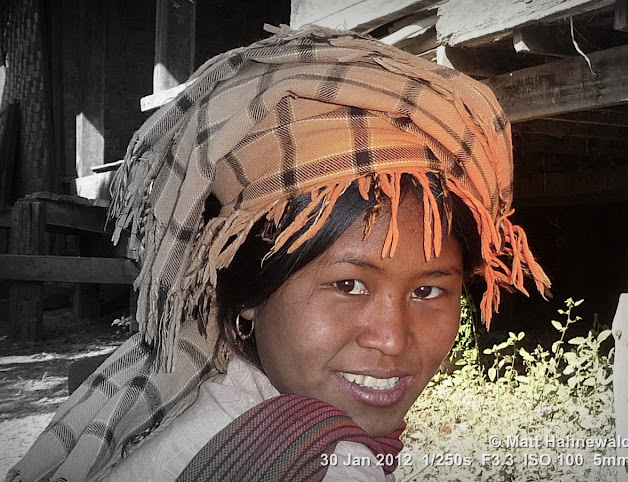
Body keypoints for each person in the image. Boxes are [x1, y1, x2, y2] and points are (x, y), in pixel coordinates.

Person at [6, 25, 550, 482]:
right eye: (349, 285)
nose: (391, 338)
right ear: (247, 292)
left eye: (429, 290)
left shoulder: (171, 388)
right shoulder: (329, 467)